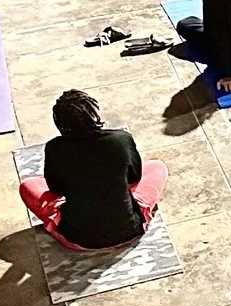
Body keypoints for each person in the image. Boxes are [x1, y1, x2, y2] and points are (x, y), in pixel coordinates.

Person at [21, 90, 166, 251]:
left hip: (78, 238)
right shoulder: (121, 139)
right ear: (93, 115)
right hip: (130, 230)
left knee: (28, 185)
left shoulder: (55, 148)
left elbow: (55, 190)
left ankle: (58, 221)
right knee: (156, 167)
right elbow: (135, 177)